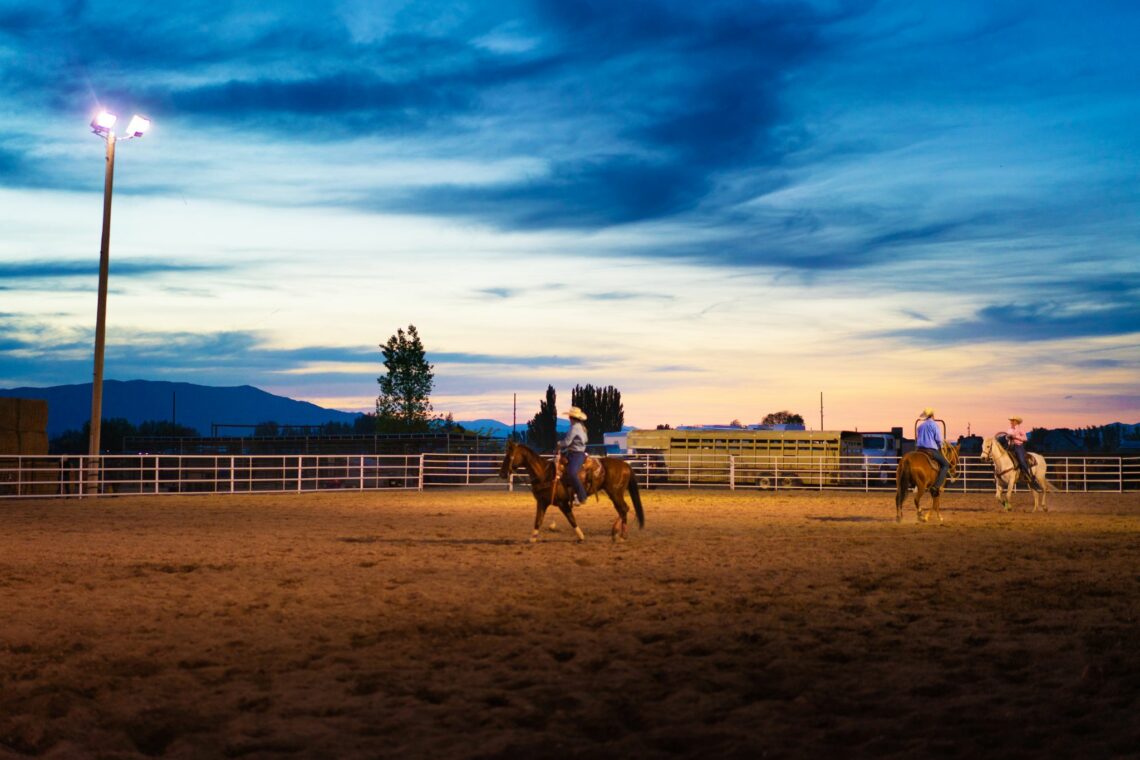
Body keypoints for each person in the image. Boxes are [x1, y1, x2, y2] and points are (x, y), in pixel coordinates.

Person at [557, 406, 590, 507]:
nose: (569, 419)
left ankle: (582, 496)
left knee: (572, 473)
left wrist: (559, 443)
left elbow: (567, 442)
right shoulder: (582, 427)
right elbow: (585, 440)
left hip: (576, 454)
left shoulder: (575, 427)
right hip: (577, 452)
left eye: (570, 417)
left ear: (572, 418)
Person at [916, 407, 950, 495]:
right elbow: (938, 439)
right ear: (932, 415)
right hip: (930, 450)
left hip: (919, 450)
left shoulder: (920, 426)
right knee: (945, 465)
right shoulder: (934, 425)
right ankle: (936, 486)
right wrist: (941, 446)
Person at [1005, 415, 1036, 487]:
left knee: (1022, 460)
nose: (1011, 422)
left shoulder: (1020, 429)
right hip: (1010, 447)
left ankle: (1028, 475)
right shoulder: (1009, 430)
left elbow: (1025, 439)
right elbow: (1007, 437)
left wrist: (1016, 437)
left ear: (1017, 422)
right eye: (1011, 421)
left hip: (1019, 446)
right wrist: (1007, 437)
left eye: (1013, 421)